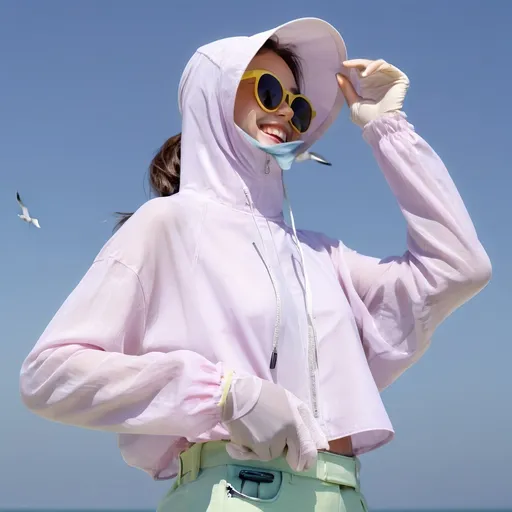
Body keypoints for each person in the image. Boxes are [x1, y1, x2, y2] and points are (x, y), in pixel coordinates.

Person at [19, 17, 491, 512]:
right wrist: (225, 395)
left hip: (342, 495)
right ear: (216, 95)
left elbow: (459, 268)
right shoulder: (168, 223)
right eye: (269, 90)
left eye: (300, 104)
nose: (287, 110)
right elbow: (50, 374)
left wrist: (386, 129)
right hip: (233, 494)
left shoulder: (322, 255)